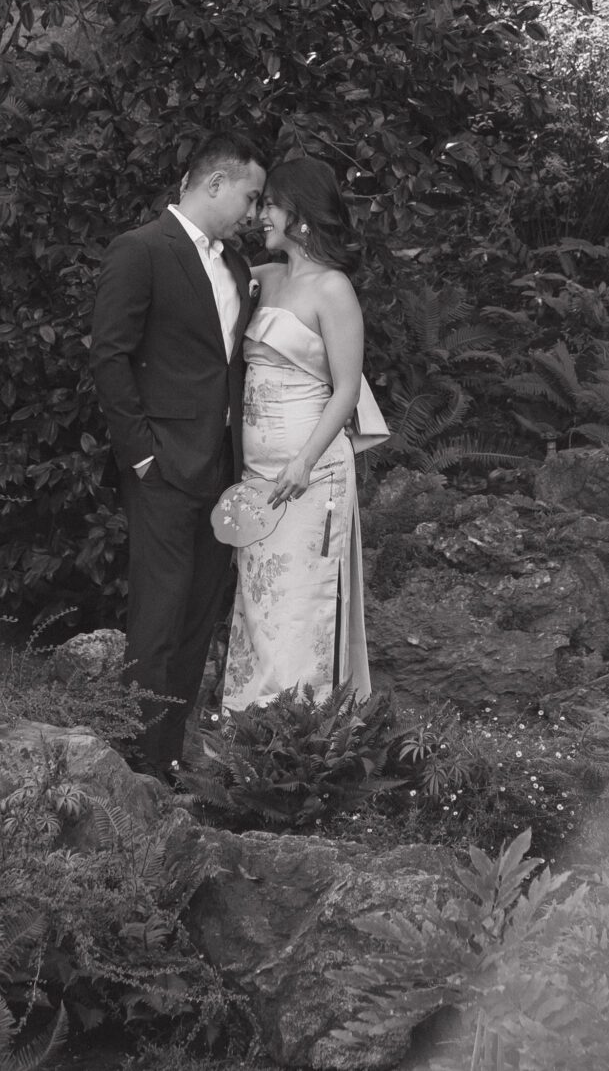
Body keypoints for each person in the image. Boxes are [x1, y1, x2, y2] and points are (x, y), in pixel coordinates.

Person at [86, 132, 268, 776]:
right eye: (250, 196)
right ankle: (138, 766)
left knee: (198, 620)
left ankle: (169, 764)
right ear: (214, 183)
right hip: (161, 466)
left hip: (222, 469)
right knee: (158, 618)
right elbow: (109, 354)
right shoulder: (141, 250)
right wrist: (140, 455)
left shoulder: (238, 268)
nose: (253, 211)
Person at [220, 156, 380, 712]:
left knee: (298, 608)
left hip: (310, 478)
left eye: (270, 205)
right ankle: (249, 737)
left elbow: (346, 388)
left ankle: (300, 744)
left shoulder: (333, 289)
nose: (261, 214)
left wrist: (303, 462)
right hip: (258, 476)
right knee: (258, 604)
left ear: (301, 216)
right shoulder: (263, 280)